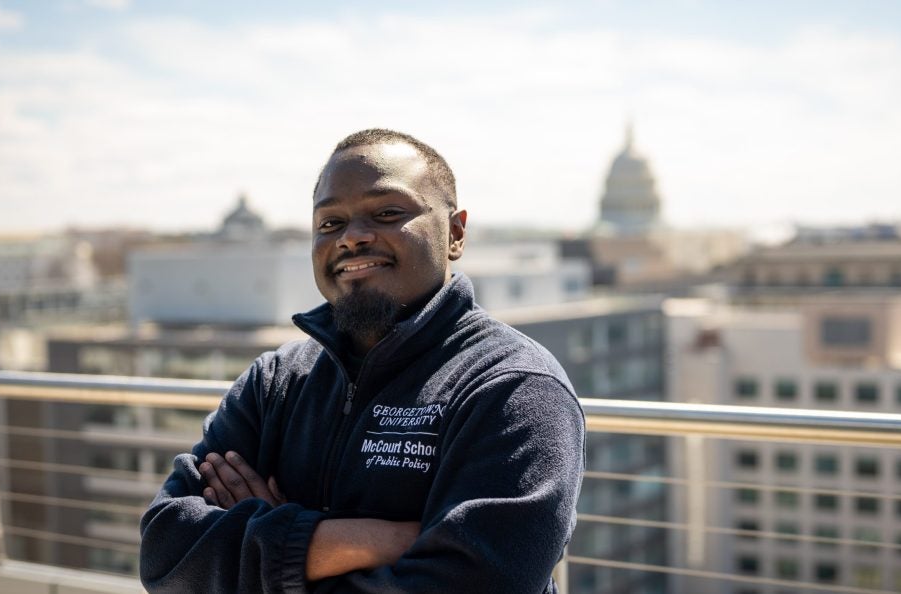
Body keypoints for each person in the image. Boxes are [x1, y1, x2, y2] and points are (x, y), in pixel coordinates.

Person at [139, 129, 585, 593]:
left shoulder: (513, 388)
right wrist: (364, 540)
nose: (352, 237)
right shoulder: (274, 381)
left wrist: (269, 555)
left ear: (454, 233)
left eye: (388, 212)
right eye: (330, 223)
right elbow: (165, 552)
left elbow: (477, 584)